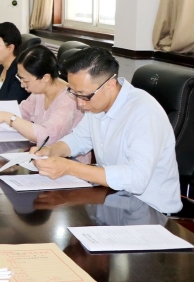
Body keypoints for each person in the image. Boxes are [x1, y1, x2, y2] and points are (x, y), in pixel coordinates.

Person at [30, 47, 182, 214]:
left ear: (109, 84)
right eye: (74, 94)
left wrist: (69, 167)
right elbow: (79, 139)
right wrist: (50, 150)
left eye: (84, 95)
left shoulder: (144, 112)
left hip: (149, 212)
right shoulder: (96, 104)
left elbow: (137, 178)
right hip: (112, 199)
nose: (80, 104)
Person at [0, 45, 83, 144]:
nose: (22, 84)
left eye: (26, 80)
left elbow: (47, 136)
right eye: (20, 78)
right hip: (40, 151)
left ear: (45, 78)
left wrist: (8, 117)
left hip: (64, 155)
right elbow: (20, 112)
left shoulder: (69, 99)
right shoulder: (40, 92)